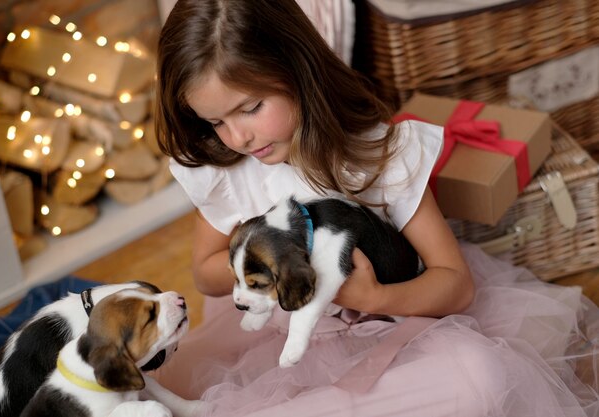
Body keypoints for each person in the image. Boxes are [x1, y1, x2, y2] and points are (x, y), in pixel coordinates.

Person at [152, 1, 599, 416]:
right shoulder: (229, 167)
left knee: (480, 376)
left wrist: (374, 297)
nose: (236, 137)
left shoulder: (383, 155)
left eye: (250, 108)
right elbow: (205, 275)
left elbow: (456, 285)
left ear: (298, 72)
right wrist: (270, 253)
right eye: (215, 122)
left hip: (393, 323)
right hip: (278, 338)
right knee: (174, 383)